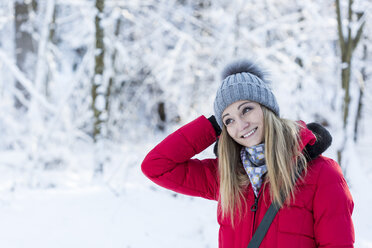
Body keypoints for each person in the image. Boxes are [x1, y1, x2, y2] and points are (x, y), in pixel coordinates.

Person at [141, 60, 354, 248]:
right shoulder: (225, 177)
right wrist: (214, 124)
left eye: (246, 109)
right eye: (229, 120)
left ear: (266, 108)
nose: (241, 125)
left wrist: (227, 115)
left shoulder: (322, 174)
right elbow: (156, 166)